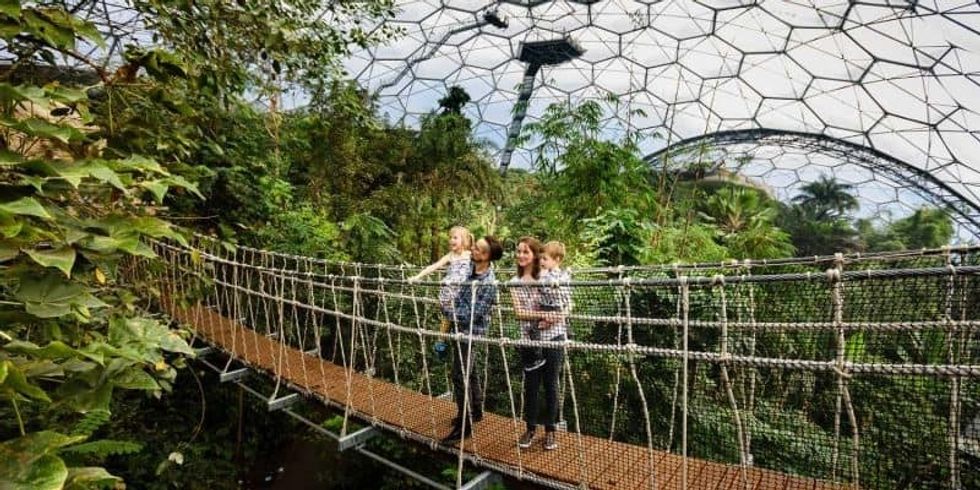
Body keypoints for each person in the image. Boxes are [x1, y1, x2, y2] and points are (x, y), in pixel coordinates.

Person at [441, 235, 504, 444]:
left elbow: (474, 314)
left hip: (472, 331)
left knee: (460, 375)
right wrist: (451, 306)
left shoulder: (489, 283)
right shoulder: (470, 268)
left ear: (486, 256)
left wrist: (449, 311)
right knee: (471, 369)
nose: (473, 250)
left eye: (478, 249)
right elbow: (459, 296)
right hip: (460, 328)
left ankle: (464, 425)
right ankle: (476, 410)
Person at [516, 240, 571, 451]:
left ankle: (550, 430)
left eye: (527, 252)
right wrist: (545, 315)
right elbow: (520, 312)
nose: (523, 256)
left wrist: (555, 317)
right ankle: (530, 428)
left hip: (555, 336)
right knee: (531, 385)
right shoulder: (520, 280)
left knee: (551, 384)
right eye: (519, 252)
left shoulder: (557, 276)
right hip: (531, 339)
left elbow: (568, 303)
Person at [409, 226, 473, 358]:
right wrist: (417, 277)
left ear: (465, 241)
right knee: (447, 318)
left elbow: (483, 266)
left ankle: (457, 339)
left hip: (463, 295)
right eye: (450, 238)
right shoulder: (450, 256)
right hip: (449, 294)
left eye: (455, 238)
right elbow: (433, 267)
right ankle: (441, 342)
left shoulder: (470, 256)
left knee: (460, 318)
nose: (451, 240)